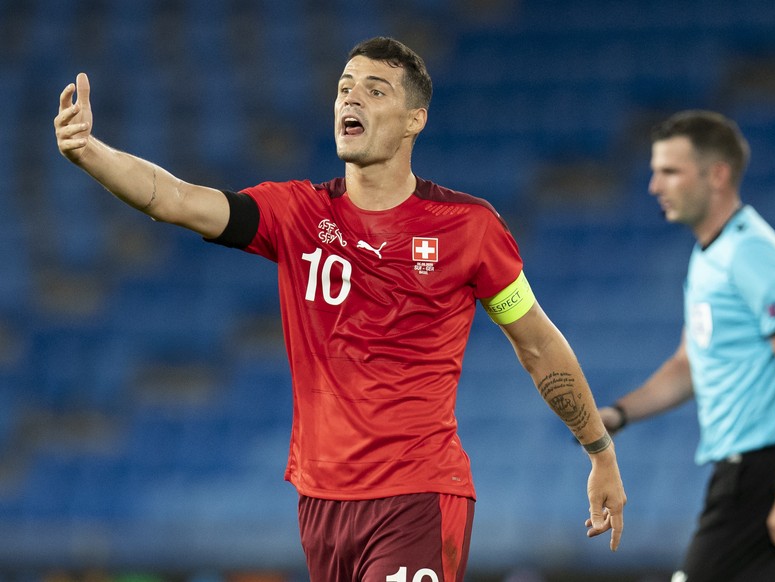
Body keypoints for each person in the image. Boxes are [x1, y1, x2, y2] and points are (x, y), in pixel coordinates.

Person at [55, 37, 626, 581]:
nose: (351, 97)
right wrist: (91, 153)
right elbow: (176, 199)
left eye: (376, 90)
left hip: (418, 492)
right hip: (321, 501)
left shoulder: (469, 229)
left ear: (414, 120)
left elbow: (537, 342)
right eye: (345, 86)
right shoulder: (295, 214)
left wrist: (599, 450)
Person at [599, 110, 775, 582]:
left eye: (669, 171)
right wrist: (618, 415)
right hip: (751, 475)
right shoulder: (710, 254)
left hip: (764, 475)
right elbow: (688, 365)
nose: (654, 185)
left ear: (717, 175)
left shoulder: (750, 252)